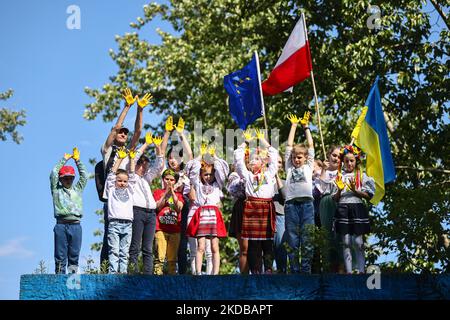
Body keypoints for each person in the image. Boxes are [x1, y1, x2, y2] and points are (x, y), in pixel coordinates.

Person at [99, 88, 152, 267]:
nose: (123, 134)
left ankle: (125, 271)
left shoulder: (128, 152)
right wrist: (127, 107)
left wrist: (140, 110)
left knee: (126, 241)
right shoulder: (107, 150)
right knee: (109, 235)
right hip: (112, 198)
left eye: (125, 133)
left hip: (127, 200)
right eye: (121, 132)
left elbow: (137, 132)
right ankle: (105, 270)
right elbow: (114, 129)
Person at [234, 129, 279, 274]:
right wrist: (245, 142)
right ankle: (256, 271)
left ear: (264, 161)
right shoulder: (246, 175)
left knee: (267, 242)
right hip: (252, 209)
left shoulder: (270, 173)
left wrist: (263, 140)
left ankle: (269, 269)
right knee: (253, 243)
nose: (253, 161)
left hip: (266, 208)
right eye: (252, 159)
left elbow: (274, 154)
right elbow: (238, 159)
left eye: (257, 158)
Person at [186, 144, 229, 275]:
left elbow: (223, 171)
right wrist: (200, 156)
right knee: (201, 246)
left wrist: (214, 157)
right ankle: (198, 273)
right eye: (205, 174)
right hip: (202, 214)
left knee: (215, 247)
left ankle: (215, 273)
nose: (208, 177)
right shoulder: (197, 184)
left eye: (210, 175)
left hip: (214, 215)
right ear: (201, 174)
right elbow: (191, 171)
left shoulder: (218, 184)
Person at [332, 145, 375, 274]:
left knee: (358, 241)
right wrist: (339, 190)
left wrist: (356, 191)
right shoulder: (339, 176)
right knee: (345, 241)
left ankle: (361, 271)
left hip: (357, 207)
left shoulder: (362, 176)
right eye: (346, 161)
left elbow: (369, 195)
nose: (349, 163)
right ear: (343, 162)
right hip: (343, 207)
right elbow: (334, 198)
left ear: (356, 161)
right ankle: (349, 272)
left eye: (352, 160)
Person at [161, 116, 195, 274]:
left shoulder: (185, 171)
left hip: (184, 207)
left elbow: (190, 155)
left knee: (182, 242)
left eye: (175, 157)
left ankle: (182, 273)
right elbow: (161, 152)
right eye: (170, 158)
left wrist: (181, 134)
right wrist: (167, 133)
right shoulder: (165, 173)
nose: (172, 160)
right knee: (164, 242)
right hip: (166, 209)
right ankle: (162, 273)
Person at [128, 133, 164, 274]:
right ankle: (134, 273)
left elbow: (158, 167)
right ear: (136, 166)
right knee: (135, 245)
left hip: (150, 214)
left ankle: (148, 275)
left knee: (148, 248)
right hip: (137, 212)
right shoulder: (131, 177)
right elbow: (134, 157)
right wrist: (146, 144)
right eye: (142, 165)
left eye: (146, 166)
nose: (144, 168)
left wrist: (157, 147)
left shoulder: (146, 179)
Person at [284, 112, 315, 274]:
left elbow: (311, 147)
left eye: (300, 157)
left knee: (308, 237)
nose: (297, 160)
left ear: (305, 158)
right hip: (291, 205)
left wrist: (306, 127)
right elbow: (288, 148)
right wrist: (293, 126)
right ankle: (295, 270)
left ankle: (306, 269)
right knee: (293, 238)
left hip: (307, 205)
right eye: (295, 157)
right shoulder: (288, 168)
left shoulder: (308, 167)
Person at [50, 147, 87, 274]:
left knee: (74, 256)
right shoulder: (56, 190)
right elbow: (54, 172)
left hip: (76, 225)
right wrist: (64, 159)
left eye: (70, 178)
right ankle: (59, 281)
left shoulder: (77, 189)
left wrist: (78, 161)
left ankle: (73, 283)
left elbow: (84, 176)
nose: (68, 180)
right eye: (65, 178)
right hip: (61, 225)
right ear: (60, 179)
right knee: (60, 256)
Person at [104, 147, 137, 274]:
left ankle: (122, 273)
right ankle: (113, 273)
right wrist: (120, 159)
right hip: (114, 223)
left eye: (125, 181)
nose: (122, 183)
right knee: (114, 250)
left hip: (127, 224)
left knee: (124, 252)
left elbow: (133, 177)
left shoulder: (130, 189)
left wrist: (132, 159)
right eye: (120, 181)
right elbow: (111, 175)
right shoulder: (111, 189)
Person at [153, 169, 185, 275]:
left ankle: (172, 278)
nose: (169, 182)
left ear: (175, 182)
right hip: (160, 229)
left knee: (172, 259)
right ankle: (157, 276)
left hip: (175, 230)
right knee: (160, 256)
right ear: (163, 179)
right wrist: (165, 194)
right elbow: (157, 207)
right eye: (167, 179)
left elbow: (179, 207)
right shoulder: (158, 192)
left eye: (172, 180)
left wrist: (172, 194)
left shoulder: (179, 195)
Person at [318, 145, 342, 272]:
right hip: (326, 202)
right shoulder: (323, 171)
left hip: (340, 203)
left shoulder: (343, 172)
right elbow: (320, 188)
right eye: (334, 155)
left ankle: (342, 268)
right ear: (328, 156)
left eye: (339, 156)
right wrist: (323, 170)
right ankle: (328, 268)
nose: (336, 158)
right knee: (327, 235)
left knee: (340, 234)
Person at [226, 169, 248, 274]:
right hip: (242, 209)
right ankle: (244, 280)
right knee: (245, 249)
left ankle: (259, 278)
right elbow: (234, 190)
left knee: (258, 249)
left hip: (258, 208)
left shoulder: (262, 173)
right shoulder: (235, 175)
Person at [273, 155, 288, 273]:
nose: (276, 164)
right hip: (265, 217)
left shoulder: (284, 181)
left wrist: (276, 176)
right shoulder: (262, 180)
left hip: (279, 217)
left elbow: (285, 197)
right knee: (265, 248)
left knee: (281, 247)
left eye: (279, 162)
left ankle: (282, 274)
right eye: (274, 162)